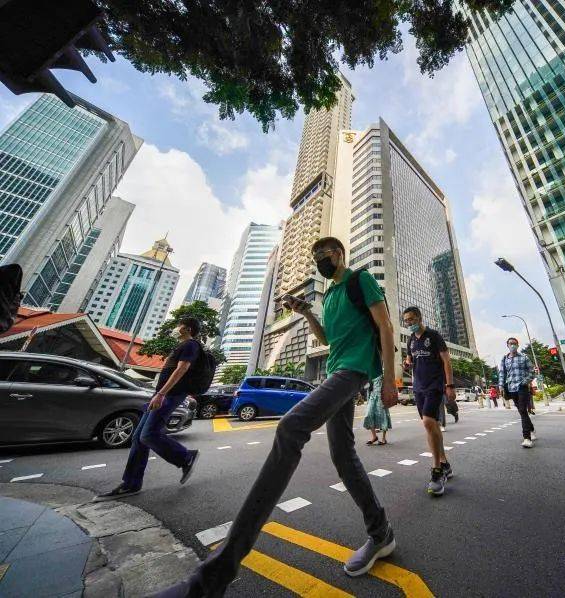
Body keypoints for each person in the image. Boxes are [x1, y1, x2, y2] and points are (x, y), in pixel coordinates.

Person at [157, 237, 398, 597]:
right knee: (343, 456)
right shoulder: (330, 296)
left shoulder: (359, 280)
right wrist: (306, 313)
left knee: (290, 427)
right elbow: (327, 339)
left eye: (324, 255)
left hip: (355, 369)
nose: (320, 261)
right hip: (336, 367)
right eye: (315, 257)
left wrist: (390, 379)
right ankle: (381, 533)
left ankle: (214, 576)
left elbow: (386, 326)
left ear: (339, 254)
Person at [93, 317, 202, 501]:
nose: (176, 328)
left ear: (188, 329)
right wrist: (158, 393)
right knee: (138, 438)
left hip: (170, 395)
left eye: (179, 325)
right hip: (162, 394)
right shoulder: (182, 345)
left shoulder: (191, 345)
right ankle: (131, 483)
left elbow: (182, 369)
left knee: (148, 435)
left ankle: (185, 457)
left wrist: (162, 394)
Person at [403, 306, 455, 496]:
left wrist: (450, 385)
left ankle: (437, 471)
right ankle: (445, 463)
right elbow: (409, 359)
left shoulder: (434, 336)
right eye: (406, 321)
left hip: (434, 385)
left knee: (428, 422)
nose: (409, 323)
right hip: (418, 388)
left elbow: (446, 361)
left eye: (411, 319)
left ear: (419, 317)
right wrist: (407, 363)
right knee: (431, 426)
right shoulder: (410, 340)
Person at [498, 338, 536, 448]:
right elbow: (502, 373)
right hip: (511, 389)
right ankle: (531, 429)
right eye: (510, 343)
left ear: (518, 345)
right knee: (521, 411)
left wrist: (525, 381)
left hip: (522, 387)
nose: (512, 345)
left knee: (523, 410)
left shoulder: (524, 357)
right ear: (507, 345)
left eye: (514, 344)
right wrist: (501, 386)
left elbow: (532, 371)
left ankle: (527, 438)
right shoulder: (504, 359)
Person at [364, 376, 391, 445]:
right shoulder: (370, 373)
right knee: (368, 415)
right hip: (372, 396)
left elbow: (388, 382)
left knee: (383, 416)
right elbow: (367, 386)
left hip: (382, 396)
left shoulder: (382, 373)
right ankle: (374, 437)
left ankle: (384, 438)